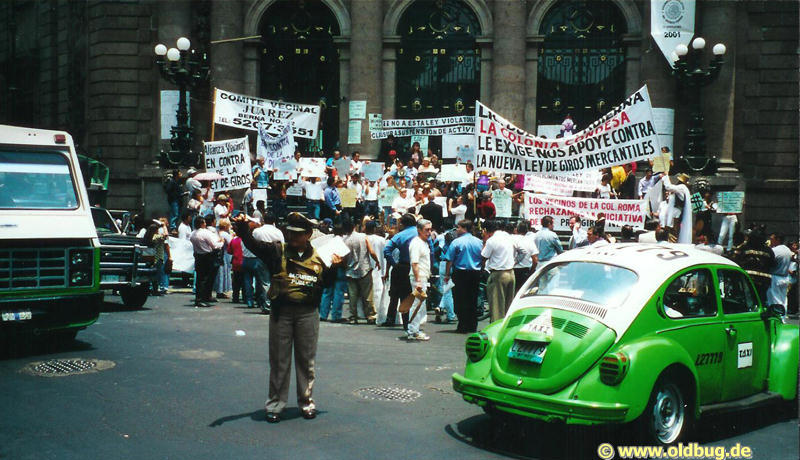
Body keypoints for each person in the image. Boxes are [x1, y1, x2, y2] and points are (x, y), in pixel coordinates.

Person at [232, 212, 342, 423]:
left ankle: (307, 402)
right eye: (290, 232)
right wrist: (244, 228)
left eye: (298, 234)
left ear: (308, 235)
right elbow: (254, 246)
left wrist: (334, 268)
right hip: (281, 313)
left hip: (308, 313)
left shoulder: (320, 257)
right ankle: (275, 404)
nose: (292, 237)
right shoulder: (277, 251)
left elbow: (326, 284)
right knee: (279, 360)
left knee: (306, 361)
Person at [444, 220, 483, 333]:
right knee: (472, 299)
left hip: (460, 273)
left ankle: (462, 324)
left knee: (460, 299)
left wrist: (447, 274)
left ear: (464, 228)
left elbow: (449, 260)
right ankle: (472, 324)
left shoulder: (456, 242)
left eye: (458, 227)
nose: (457, 230)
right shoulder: (478, 242)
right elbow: (483, 257)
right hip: (474, 273)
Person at [381, 213, 418, 328]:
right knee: (408, 296)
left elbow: (387, 250)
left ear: (402, 224)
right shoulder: (420, 234)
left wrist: (394, 264)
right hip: (416, 267)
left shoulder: (400, 235)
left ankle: (390, 318)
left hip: (401, 267)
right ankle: (408, 322)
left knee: (394, 295)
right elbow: (430, 249)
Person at [342, 220, 379, 324]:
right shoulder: (363, 237)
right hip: (365, 268)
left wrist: (346, 266)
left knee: (353, 296)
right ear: (354, 226)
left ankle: (353, 317)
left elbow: (343, 257)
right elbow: (371, 251)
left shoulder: (344, 240)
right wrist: (377, 261)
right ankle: (370, 316)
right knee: (367, 294)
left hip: (350, 270)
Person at [481, 220, 515, 322]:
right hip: (511, 272)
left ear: (485, 230)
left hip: (498, 274)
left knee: (496, 306)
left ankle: (496, 329)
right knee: (508, 304)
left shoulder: (491, 241)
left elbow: (483, 256)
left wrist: (484, 240)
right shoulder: (507, 236)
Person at [407, 219, 433, 341]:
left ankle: (415, 329)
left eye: (430, 229)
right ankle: (413, 330)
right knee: (417, 305)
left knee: (420, 305)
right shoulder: (416, 243)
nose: (429, 232)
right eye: (426, 230)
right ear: (419, 230)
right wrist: (418, 281)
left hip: (423, 277)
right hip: (419, 278)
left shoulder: (424, 243)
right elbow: (415, 263)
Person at [189, 215, 223, 307]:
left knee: (201, 277)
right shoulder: (205, 233)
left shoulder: (192, 234)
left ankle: (202, 297)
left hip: (198, 255)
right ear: (201, 224)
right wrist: (221, 242)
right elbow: (214, 245)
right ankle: (202, 298)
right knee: (206, 278)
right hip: (207, 255)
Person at [663, 173, 693, 244]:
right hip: (676, 213)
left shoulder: (681, 187)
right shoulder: (683, 188)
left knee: (674, 231)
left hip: (676, 213)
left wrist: (666, 176)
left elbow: (668, 187)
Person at [767, 233, 793, 311]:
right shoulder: (787, 250)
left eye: (772, 239)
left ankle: (778, 317)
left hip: (775, 276)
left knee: (775, 299)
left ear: (777, 239)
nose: (770, 241)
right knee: (783, 299)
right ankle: (783, 317)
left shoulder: (775, 250)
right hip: (784, 277)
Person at [511, 220, 538, 292]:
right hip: (525, 270)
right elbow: (535, 260)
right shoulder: (529, 241)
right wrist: (531, 272)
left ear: (516, 229)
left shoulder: (510, 239)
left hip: (512, 269)